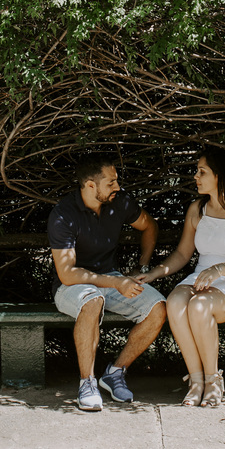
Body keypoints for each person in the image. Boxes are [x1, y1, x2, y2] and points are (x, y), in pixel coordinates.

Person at [137, 146, 225, 407]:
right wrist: (153, 273)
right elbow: (183, 254)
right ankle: (196, 381)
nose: (196, 176)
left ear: (219, 176)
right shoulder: (197, 210)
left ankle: (213, 380)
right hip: (203, 277)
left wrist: (219, 270)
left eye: (202, 171)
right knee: (174, 302)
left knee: (199, 306)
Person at [49, 155, 167, 411]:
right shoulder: (63, 214)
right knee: (92, 300)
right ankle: (87, 383)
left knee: (157, 307)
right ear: (91, 186)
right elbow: (68, 273)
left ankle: (114, 372)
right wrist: (116, 282)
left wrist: (142, 267)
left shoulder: (120, 202)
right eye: (111, 182)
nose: (118, 187)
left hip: (111, 280)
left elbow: (148, 226)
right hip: (70, 286)